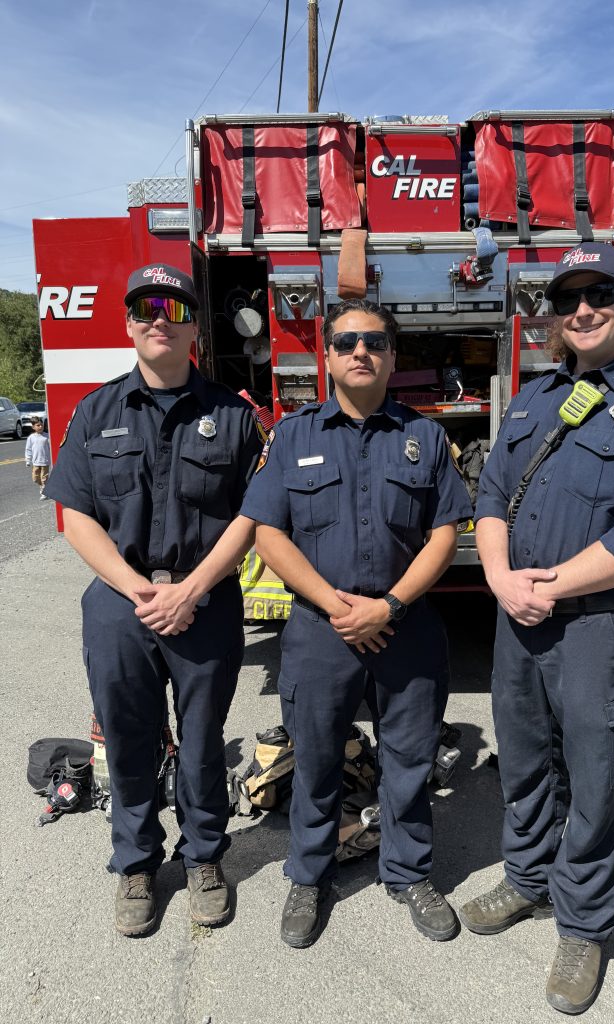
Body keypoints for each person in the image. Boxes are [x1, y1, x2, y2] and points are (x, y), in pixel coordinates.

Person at [458, 243, 614, 1015]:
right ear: (553, 318)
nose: (583, 310)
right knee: (524, 764)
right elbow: (491, 494)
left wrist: (551, 586)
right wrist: (499, 579)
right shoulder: (531, 400)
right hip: (518, 622)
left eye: (599, 293)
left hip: (596, 627)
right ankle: (528, 880)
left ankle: (585, 923)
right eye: (568, 300)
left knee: (595, 782)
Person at [234, 297, 473, 948]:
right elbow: (268, 533)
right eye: (346, 342)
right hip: (321, 628)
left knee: (410, 758)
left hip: (406, 624)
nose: (360, 351)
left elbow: (445, 534)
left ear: (393, 356)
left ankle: (410, 872)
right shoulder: (292, 435)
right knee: (313, 759)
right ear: (327, 356)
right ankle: (308, 877)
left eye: (374, 341)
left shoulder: (424, 438)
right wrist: (340, 607)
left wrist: (388, 604)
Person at [44, 263, 262, 937]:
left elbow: (254, 515)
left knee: (201, 743)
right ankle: (136, 864)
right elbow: (75, 512)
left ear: (194, 324)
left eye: (172, 306)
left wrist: (193, 588)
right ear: (128, 323)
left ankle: (203, 859)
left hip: (207, 600)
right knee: (130, 743)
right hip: (120, 601)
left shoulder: (232, 415)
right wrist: (134, 585)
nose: (157, 318)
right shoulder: (96, 411)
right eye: (143, 308)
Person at [25, 417, 51, 498]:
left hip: (45, 461)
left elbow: (51, 448)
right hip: (35, 462)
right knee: (35, 478)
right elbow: (28, 449)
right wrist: (28, 460)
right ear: (33, 427)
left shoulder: (47, 436)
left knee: (44, 478)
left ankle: (44, 491)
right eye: (38, 425)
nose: (40, 427)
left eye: (41, 425)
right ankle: (43, 487)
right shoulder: (31, 438)